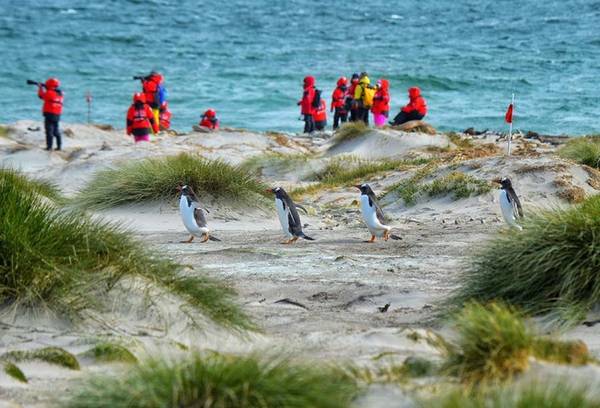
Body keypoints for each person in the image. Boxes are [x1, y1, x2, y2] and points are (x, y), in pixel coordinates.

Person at [37, 77, 63, 151]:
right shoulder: (60, 93)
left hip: (49, 114)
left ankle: (49, 147)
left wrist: (40, 88)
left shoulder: (49, 93)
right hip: (57, 115)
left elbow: (41, 96)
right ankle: (59, 146)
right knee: (56, 131)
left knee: (49, 131)